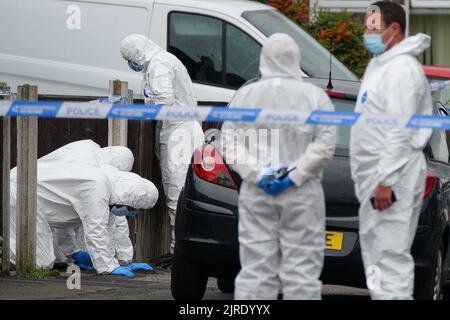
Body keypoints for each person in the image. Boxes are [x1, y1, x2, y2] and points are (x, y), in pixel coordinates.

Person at [221, 33, 336, 300]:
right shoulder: (315, 97)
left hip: (258, 192)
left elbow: (228, 142)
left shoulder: (246, 95)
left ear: (264, 58)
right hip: (302, 193)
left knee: (255, 270)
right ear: (296, 58)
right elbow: (325, 144)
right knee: (302, 272)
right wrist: (293, 175)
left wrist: (259, 175)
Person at [350, 1, 433, 299]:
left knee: (391, 258)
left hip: (392, 180)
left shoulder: (401, 71)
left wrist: (385, 179)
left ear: (393, 29)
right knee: (378, 260)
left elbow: (400, 131)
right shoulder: (381, 66)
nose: (366, 32)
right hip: (378, 180)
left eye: (372, 27)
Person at [120, 34, 204, 260]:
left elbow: (163, 103)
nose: (131, 64)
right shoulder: (164, 60)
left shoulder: (158, 65)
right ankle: (184, 250)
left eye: (129, 59)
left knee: (177, 191)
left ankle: (182, 253)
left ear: (135, 53)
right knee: (183, 190)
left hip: (178, 134)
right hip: (181, 131)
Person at [9, 156, 159, 278]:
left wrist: (123, 261)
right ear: (126, 199)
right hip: (23, 186)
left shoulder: (111, 186)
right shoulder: (97, 186)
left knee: (57, 260)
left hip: (37, 197)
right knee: (39, 264)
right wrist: (108, 266)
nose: (133, 213)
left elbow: (67, 220)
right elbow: (96, 229)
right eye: (133, 209)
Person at [45, 140, 151, 271]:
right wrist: (74, 252)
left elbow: (117, 225)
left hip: (79, 250)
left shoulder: (108, 188)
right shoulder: (93, 183)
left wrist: (124, 260)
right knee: (43, 263)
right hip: (53, 230)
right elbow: (66, 222)